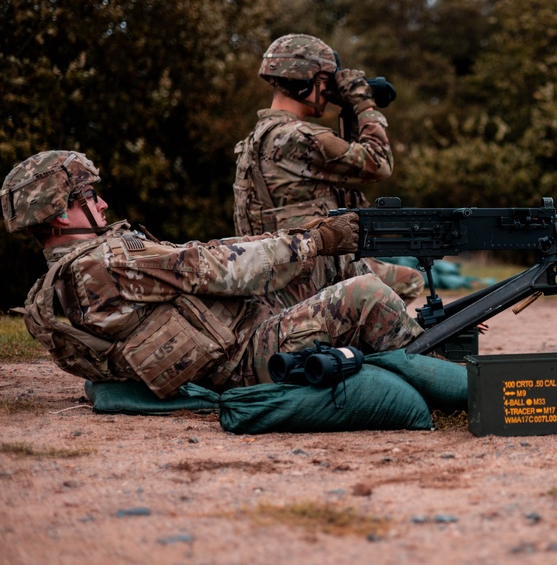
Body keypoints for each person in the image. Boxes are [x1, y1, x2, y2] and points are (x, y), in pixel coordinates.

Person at [1, 150, 424, 398]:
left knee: (337, 269)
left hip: (222, 343)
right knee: (364, 293)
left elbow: (198, 262)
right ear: (58, 212)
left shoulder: (57, 282)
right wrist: (315, 240)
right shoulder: (110, 261)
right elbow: (227, 268)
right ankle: (440, 373)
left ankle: (411, 302)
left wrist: (312, 247)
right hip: (240, 358)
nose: (103, 203)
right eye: (90, 195)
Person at [233, 33, 423, 305]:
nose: (326, 92)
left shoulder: (260, 136)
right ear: (302, 82)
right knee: (410, 280)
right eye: (324, 82)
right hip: (308, 276)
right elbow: (379, 164)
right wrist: (362, 102)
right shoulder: (300, 137)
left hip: (277, 269)